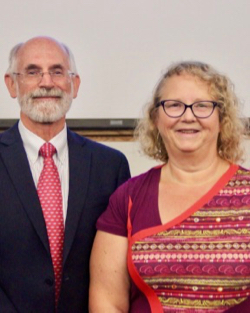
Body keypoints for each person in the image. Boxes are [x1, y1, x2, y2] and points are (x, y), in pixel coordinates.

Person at [89, 61, 250, 312]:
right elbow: (107, 302)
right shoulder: (128, 198)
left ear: (222, 118)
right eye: (173, 105)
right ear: (156, 119)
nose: (188, 116)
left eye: (202, 106)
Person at [0, 36, 130, 313]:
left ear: (75, 84)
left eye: (57, 71)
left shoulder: (110, 166)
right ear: (12, 84)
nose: (46, 82)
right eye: (33, 72)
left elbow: (119, 268)